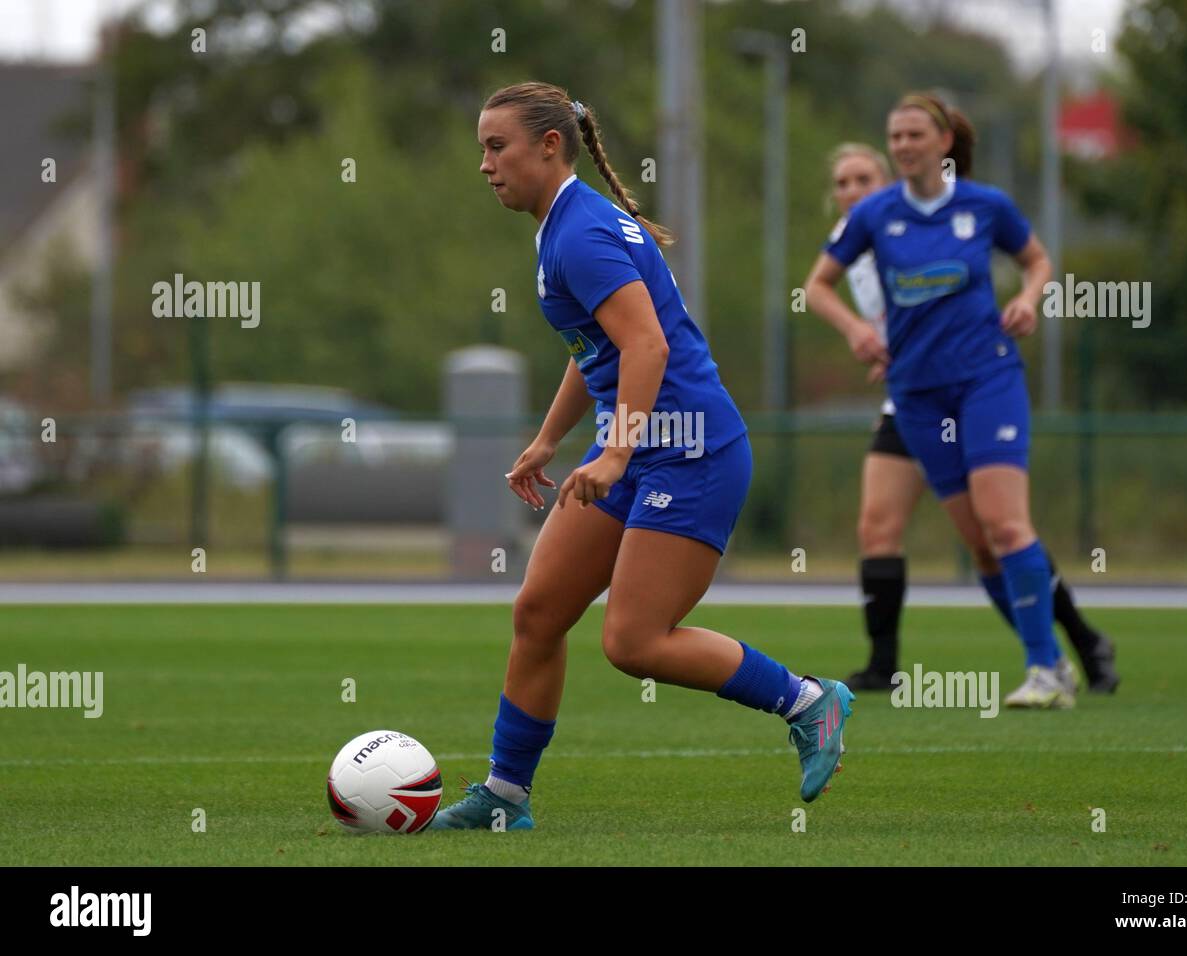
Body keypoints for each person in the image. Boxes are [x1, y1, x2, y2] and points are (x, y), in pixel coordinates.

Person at [433, 81, 854, 830]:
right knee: (538, 613)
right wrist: (549, 439)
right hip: (636, 446)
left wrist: (617, 454)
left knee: (632, 641)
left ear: (549, 146)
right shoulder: (563, 226)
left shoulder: (581, 233)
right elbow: (599, 348)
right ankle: (504, 798)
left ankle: (809, 701)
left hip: (691, 451)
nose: (485, 164)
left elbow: (647, 344)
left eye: (497, 146)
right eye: (482, 150)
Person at [806, 92, 1117, 709]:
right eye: (895, 136)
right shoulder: (876, 215)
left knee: (1005, 523)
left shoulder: (985, 206)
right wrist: (857, 331)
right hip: (916, 395)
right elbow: (816, 286)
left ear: (944, 142)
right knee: (979, 542)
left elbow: (1037, 261)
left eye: (914, 135)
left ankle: (1045, 669)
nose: (903, 146)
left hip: (986, 379)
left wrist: (1029, 299)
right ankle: (1057, 657)